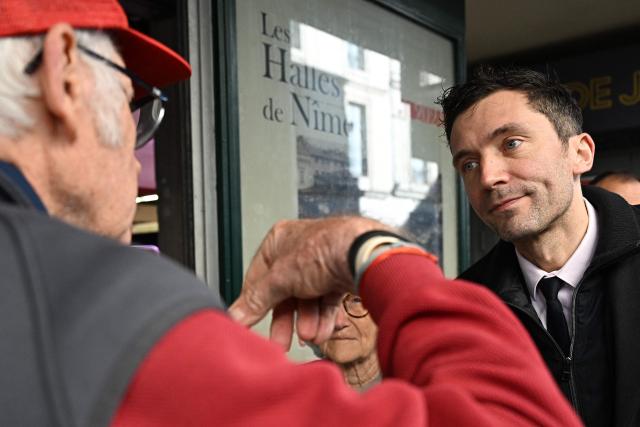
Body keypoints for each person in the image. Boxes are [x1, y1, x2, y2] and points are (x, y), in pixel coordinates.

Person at [0, 2, 581, 425]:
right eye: (133, 104)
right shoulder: (96, 305)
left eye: (512, 144)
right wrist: (378, 251)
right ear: (67, 73)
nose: (135, 152)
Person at [438, 66, 640, 426]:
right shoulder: (466, 310)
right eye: (468, 164)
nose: (488, 177)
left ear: (580, 153)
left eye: (511, 144)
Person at [311, 293, 382, 391]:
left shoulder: (408, 380)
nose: (338, 322)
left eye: (356, 300)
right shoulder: (296, 390)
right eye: (325, 302)